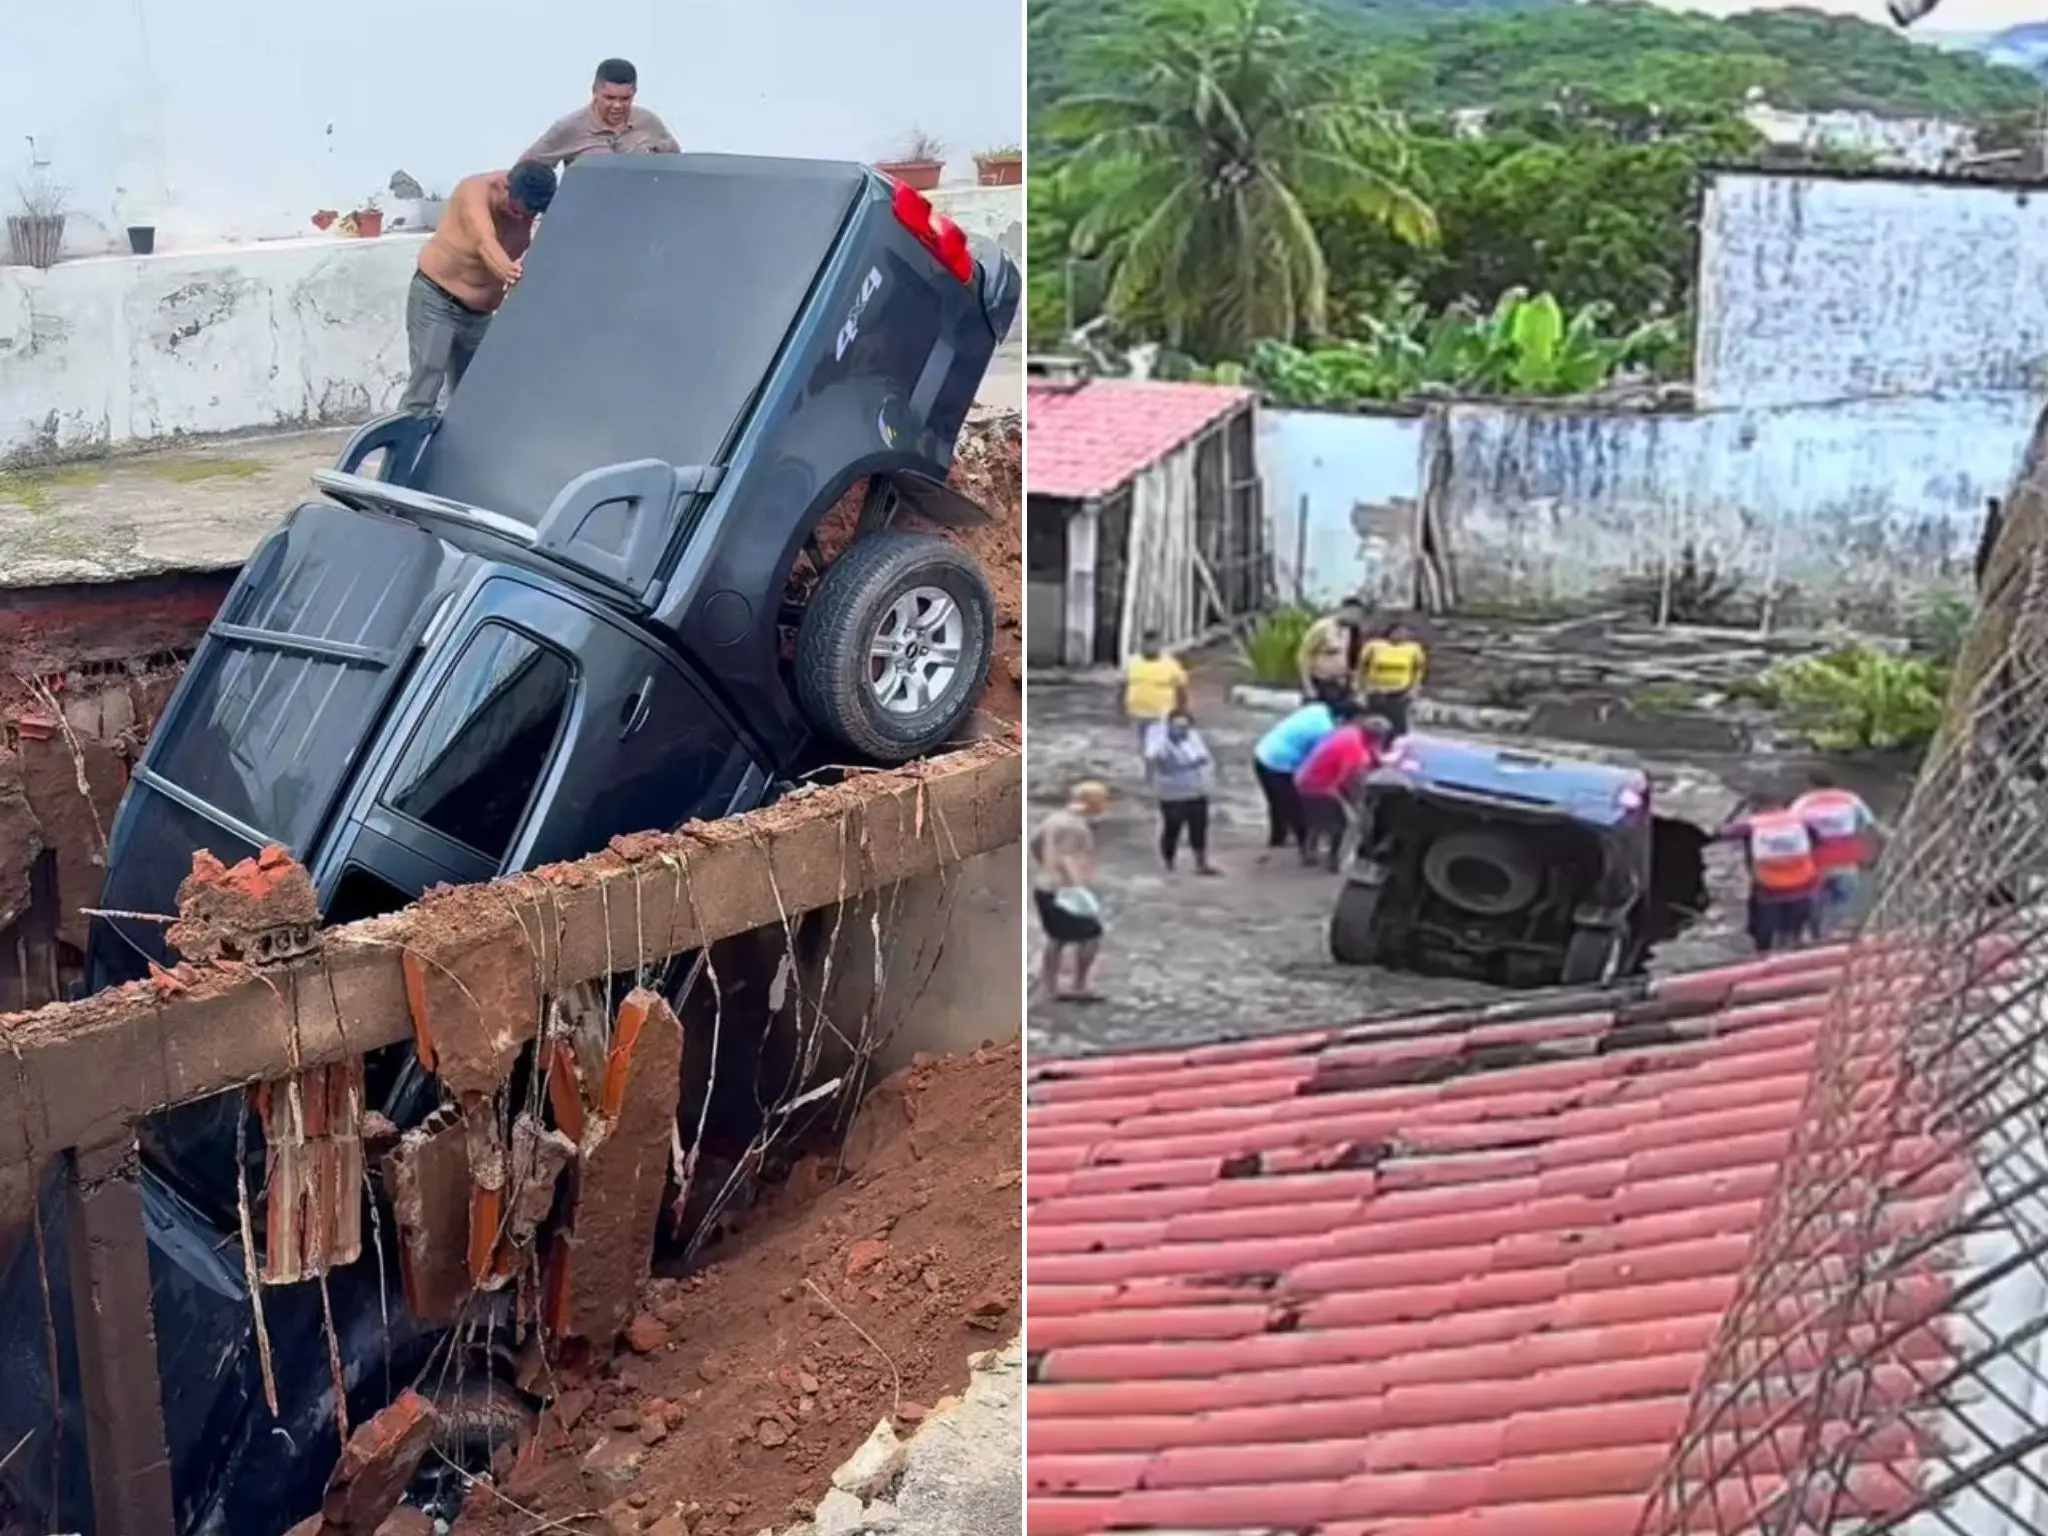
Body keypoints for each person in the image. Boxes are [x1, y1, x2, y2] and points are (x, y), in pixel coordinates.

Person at [402, 162, 558, 414]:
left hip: (479, 316)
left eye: (529, 216)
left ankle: (460, 452)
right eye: (517, 211)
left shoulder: (530, 207)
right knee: (426, 381)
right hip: (437, 299)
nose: (521, 219)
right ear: (505, 187)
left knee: (475, 392)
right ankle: (404, 450)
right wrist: (510, 273)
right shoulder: (474, 191)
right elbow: (484, 242)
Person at [522, 58, 682, 170]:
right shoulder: (570, 127)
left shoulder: (648, 122)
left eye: (625, 99)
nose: (617, 105)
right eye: (609, 98)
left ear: (634, 93)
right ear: (595, 92)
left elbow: (677, 164)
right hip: (590, 211)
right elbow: (526, 168)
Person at [1032, 781, 1109, 1001]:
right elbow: (1067, 859)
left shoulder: (1053, 819)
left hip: (1043, 887)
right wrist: (1077, 888)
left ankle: (1051, 985)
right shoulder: (1076, 827)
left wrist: (1045, 867)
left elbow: (1035, 844)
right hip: (1062, 890)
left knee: (1056, 938)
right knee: (1091, 935)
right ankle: (1079, 984)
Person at [1719, 800, 1821, 954]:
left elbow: (1721, 833)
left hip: (1770, 889)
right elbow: (1817, 841)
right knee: (1794, 930)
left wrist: (1734, 813)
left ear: (1756, 810)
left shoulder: (1752, 825)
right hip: (1803, 886)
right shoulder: (1800, 821)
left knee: (1763, 932)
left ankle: (1763, 955)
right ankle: (1794, 953)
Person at [1294, 714, 1392, 871]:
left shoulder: (1349, 731)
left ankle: (1309, 851)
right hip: (1319, 786)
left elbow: (1370, 753)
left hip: (1304, 776)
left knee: (1317, 818)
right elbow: (1351, 782)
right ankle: (1335, 861)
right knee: (1347, 822)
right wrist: (1357, 804)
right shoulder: (1354, 751)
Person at [1793, 773, 1884, 938]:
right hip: (1845, 858)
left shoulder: (1803, 802)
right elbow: (1870, 826)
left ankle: (1815, 932)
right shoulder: (1850, 799)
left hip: (1816, 861)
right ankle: (1836, 931)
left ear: (1810, 786)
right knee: (1843, 898)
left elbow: (1792, 830)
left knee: (1815, 899)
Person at [1251, 698, 1341, 857]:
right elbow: (1315, 762)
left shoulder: (1317, 708)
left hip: (1262, 753)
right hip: (1279, 763)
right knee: (1294, 806)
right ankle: (1304, 845)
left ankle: (1277, 839)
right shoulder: (1324, 730)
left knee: (1276, 802)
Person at [1143, 710, 1218, 875]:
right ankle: (1169, 863)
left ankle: (1201, 863)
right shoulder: (1159, 741)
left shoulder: (1193, 738)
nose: (1181, 730)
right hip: (1171, 792)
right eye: (1177, 726)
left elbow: (1203, 758)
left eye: (1185, 727)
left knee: (1199, 827)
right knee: (1173, 826)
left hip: (1196, 789)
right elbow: (1153, 756)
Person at [1122, 631, 1188, 752]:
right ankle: (1148, 769)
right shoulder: (1133, 662)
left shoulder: (1170, 664)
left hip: (1160, 715)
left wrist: (1181, 710)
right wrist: (1121, 707)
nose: (1150, 647)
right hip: (1137, 714)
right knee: (1141, 748)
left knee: (1154, 750)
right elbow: (1124, 685)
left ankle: (1152, 769)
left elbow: (1181, 688)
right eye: (1147, 644)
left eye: (1153, 644)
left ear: (1159, 645)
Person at [1359, 619, 1427, 737]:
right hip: (1376, 693)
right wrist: (1362, 689)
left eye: (1404, 632)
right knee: (1374, 726)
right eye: (1398, 632)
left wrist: (1414, 690)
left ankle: (1396, 750)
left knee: (1398, 727)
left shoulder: (1414, 649)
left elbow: (1418, 671)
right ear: (1390, 632)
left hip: (1399, 694)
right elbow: (1361, 668)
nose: (1401, 635)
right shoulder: (1374, 646)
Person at [1297, 599, 1369, 702]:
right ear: (1343, 610)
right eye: (1352, 612)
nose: (1355, 616)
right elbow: (1304, 655)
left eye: (1358, 614)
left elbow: (1355, 660)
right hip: (1320, 682)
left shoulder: (1353, 631)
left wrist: (1356, 688)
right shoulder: (1322, 627)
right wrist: (1308, 686)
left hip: (1342, 684)